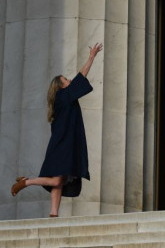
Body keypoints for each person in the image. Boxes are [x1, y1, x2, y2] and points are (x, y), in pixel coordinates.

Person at [10, 43, 103, 217]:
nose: (70, 81)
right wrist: (91, 57)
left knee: (59, 181)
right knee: (56, 179)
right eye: (66, 79)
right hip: (63, 145)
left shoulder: (62, 99)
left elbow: (78, 81)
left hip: (62, 144)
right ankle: (26, 182)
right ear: (61, 86)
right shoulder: (63, 96)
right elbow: (81, 77)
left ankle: (53, 213)